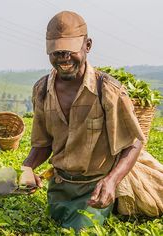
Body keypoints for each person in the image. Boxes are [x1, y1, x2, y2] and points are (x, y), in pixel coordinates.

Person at [22, 11, 163, 231]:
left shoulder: (107, 90)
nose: (63, 58)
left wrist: (111, 181)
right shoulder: (41, 90)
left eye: (70, 51)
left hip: (95, 187)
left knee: (81, 230)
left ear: (87, 46)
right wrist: (27, 168)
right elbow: (42, 144)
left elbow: (134, 142)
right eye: (57, 52)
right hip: (59, 187)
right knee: (55, 223)